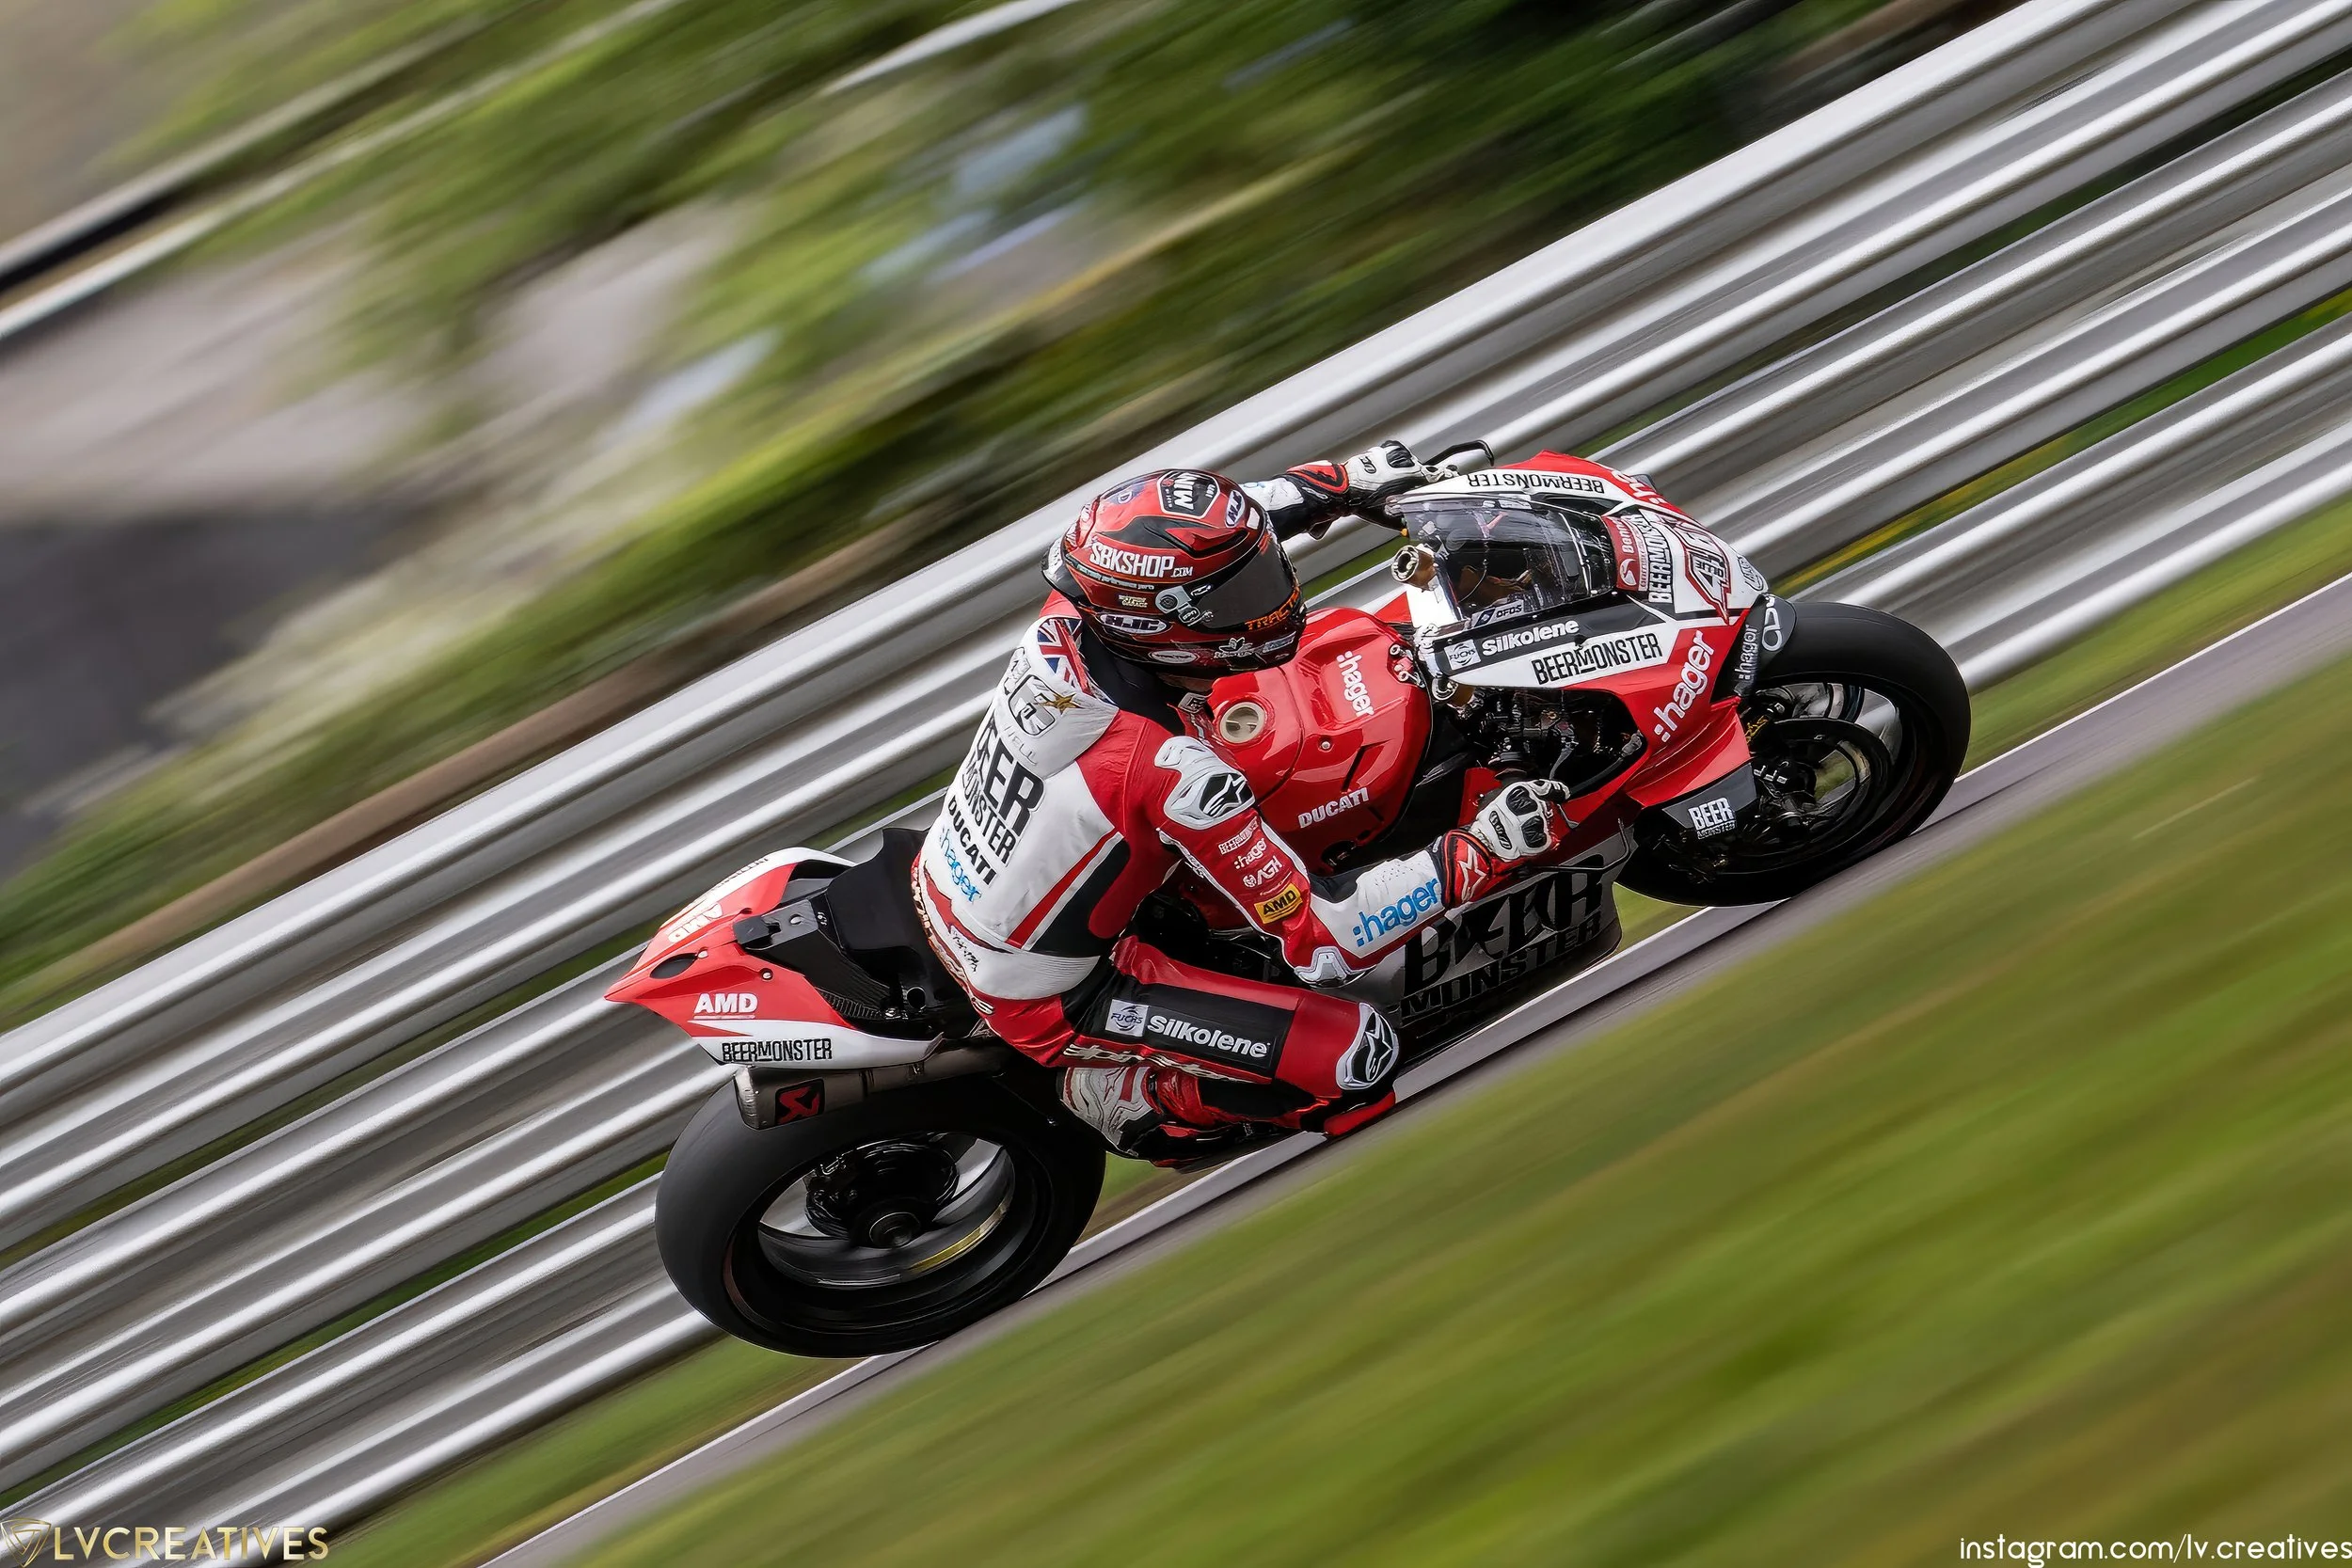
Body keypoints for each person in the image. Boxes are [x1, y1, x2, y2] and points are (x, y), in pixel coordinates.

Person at [915, 441, 1577, 1160]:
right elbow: (1329, 941)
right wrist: (1479, 851)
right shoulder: (1177, 774)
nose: (1275, 601)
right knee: (1356, 1057)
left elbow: (1236, 522)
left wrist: (1350, 482)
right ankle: (1127, 1098)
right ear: (1162, 626)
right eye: (1238, 600)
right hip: (1048, 990)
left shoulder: (1076, 607)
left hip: (958, 878)